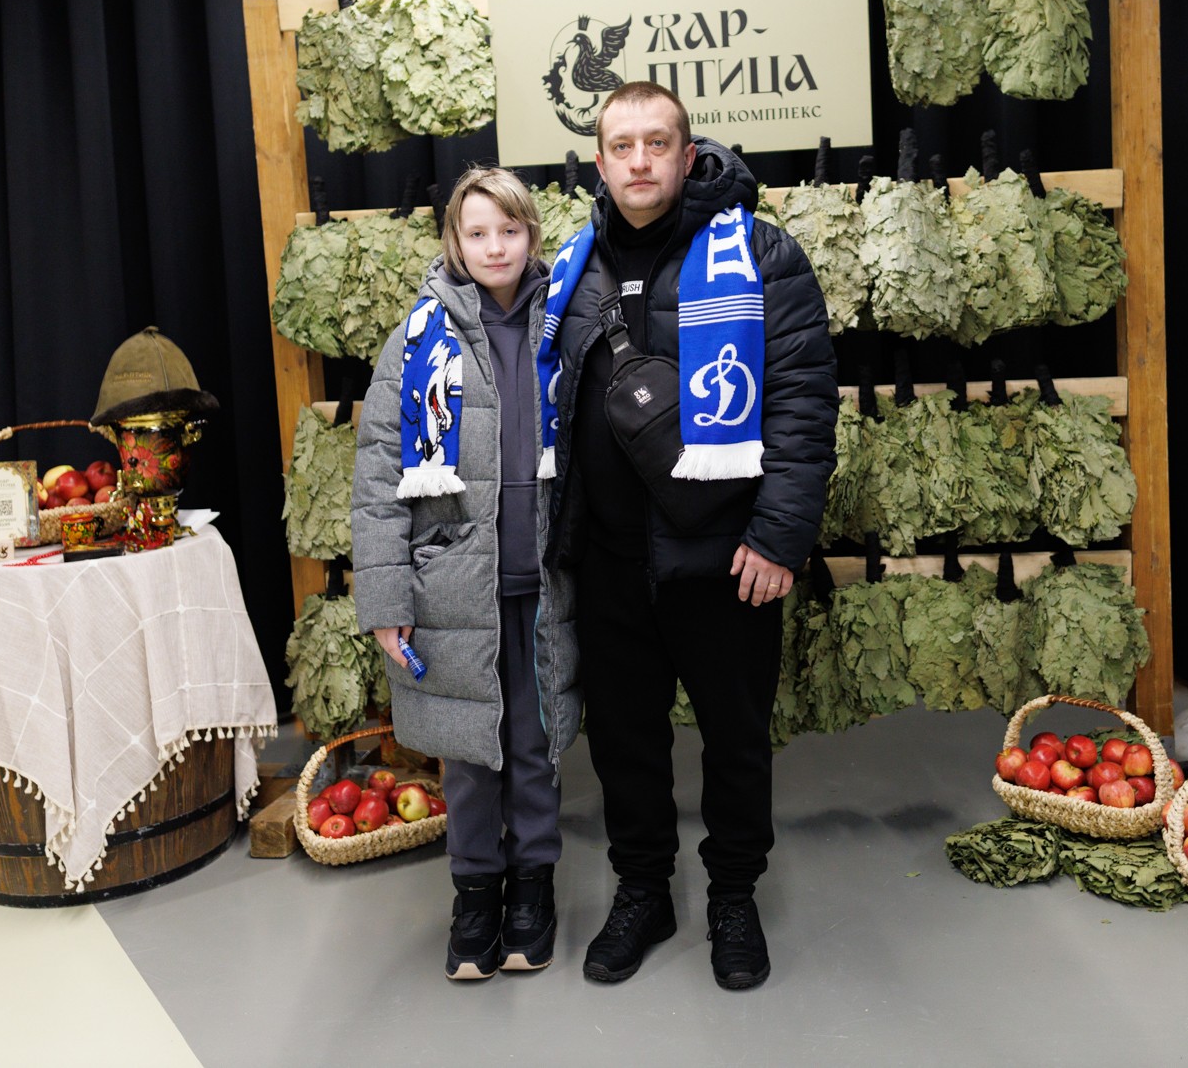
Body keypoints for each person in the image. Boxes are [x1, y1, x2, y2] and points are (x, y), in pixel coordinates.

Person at [542, 81, 837, 990]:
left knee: (736, 740)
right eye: (621, 145)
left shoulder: (759, 252)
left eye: (657, 142)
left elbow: (802, 400)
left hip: (725, 556)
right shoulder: (572, 265)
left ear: (686, 152)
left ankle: (734, 896)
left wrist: (779, 537)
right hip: (609, 558)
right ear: (599, 162)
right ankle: (644, 891)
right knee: (625, 741)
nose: (639, 160)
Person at [353, 166, 581, 981]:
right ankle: (477, 893)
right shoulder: (417, 339)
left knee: (534, 747)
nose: (495, 247)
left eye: (509, 230)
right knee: (470, 756)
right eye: (477, 232)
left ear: (531, 235)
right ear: (454, 240)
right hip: (450, 590)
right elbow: (378, 478)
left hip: (543, 584)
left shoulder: (565, 325)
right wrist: (386, 597)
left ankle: (533, 889)